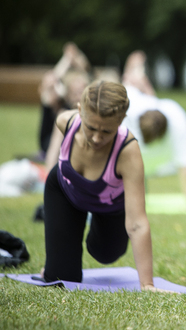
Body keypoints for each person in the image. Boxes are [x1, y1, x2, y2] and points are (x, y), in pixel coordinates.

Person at [42, 80, 166, 292]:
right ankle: (63, 248)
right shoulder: (65, 121)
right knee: (60, 278)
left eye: (107, 131)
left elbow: (137, 223)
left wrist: (147, 284)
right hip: (65, 192)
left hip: (111, 206)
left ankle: (96, 233)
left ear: (121, 120)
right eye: (91, 127)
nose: (97, 137)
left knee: (104, 253)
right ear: (80, 110)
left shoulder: (128, 150)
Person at [120, 51, 186, 206]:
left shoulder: (132, 106)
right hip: (150, 161)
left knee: (131, 82)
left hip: (140, 161)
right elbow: (185, 164)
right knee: (133, 82)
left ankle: (137, 68)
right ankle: (137, 69)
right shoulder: (174, 113)